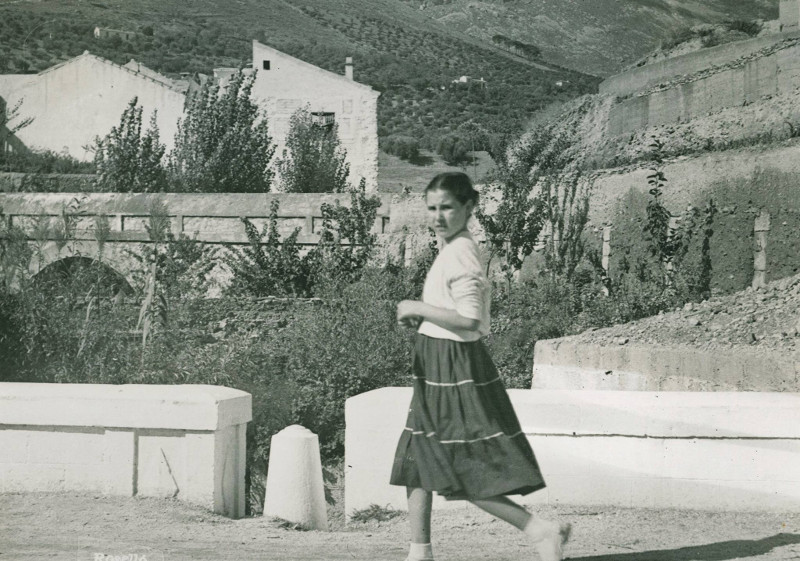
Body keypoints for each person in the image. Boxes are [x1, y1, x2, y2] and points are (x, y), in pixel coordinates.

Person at [391, 172, 571, 561]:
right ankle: (419, 552)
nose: (438, 216)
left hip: (453, 369)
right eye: (433, 208)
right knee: (418, 454)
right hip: (437, 365)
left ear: (469, 208)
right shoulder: (451, 246)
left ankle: (540, 530)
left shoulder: (460, 252)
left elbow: (471, 320)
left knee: (463, 466)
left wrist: (416, 308)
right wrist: (423, 319)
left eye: (448, 208)